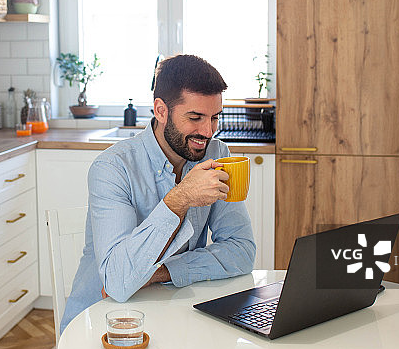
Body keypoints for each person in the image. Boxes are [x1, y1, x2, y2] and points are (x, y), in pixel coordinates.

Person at [59, 54, 255, 333]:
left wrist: (161, 273)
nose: (208, 131)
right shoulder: (112, 168)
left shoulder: (217, 154)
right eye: (195, 117)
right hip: (102, 322)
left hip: (175, 314)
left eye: (214, 118)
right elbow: (117, 282)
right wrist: (180, 199)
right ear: (161, 111)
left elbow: (242, 251)